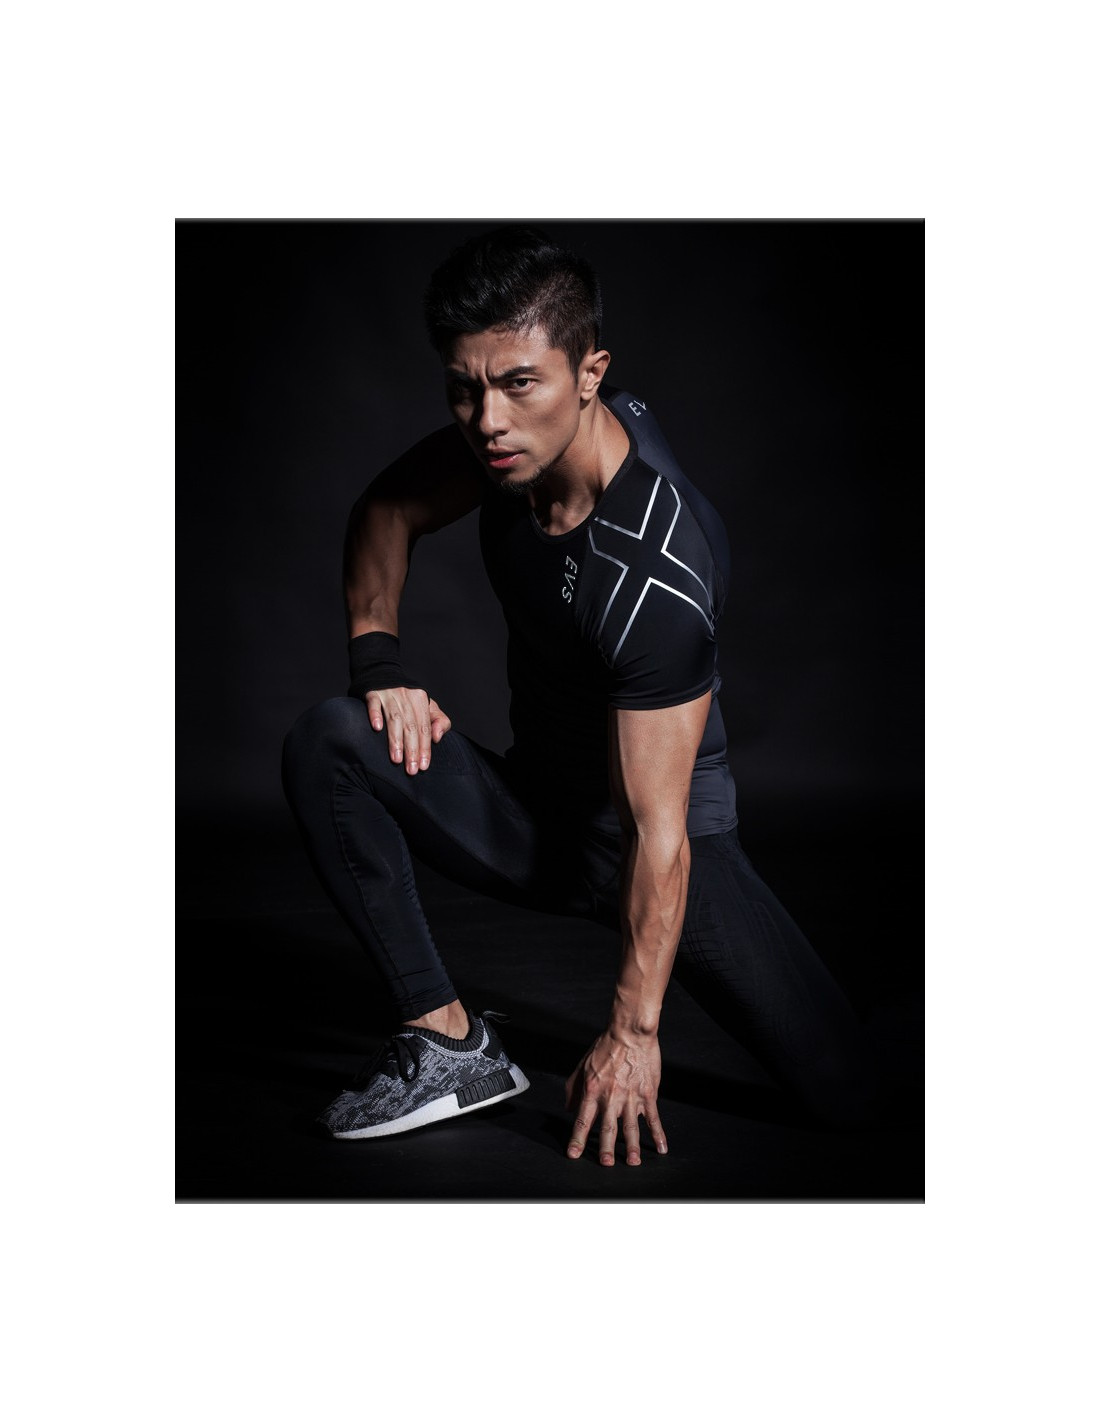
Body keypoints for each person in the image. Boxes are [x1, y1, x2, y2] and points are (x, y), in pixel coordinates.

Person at [282, 225, 877, 1167]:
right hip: (534, 816)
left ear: (590, 372)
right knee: (331, 739)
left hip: (660, 848)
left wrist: (634, 1032)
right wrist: (381, 668)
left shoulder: (656, 570)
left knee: (855, 1098)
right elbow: (387, 510)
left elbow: (658, 834)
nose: (487, 419)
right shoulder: (507, 453)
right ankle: (448, 1042)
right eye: (465, 387)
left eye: (520, 383)